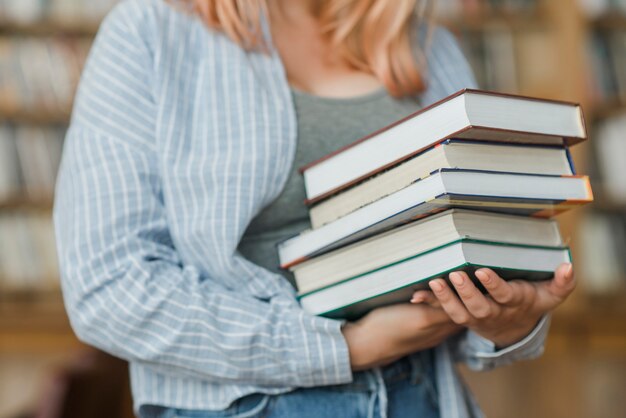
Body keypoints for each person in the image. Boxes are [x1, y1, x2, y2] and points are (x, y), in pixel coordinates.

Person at [53, 0, 576, 417]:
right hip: (245, 407)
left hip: (423, 397)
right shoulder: (150, 32)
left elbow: (469, 235)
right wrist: (343, 347)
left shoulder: (427, 44)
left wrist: (506, 323)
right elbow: (108, 286)